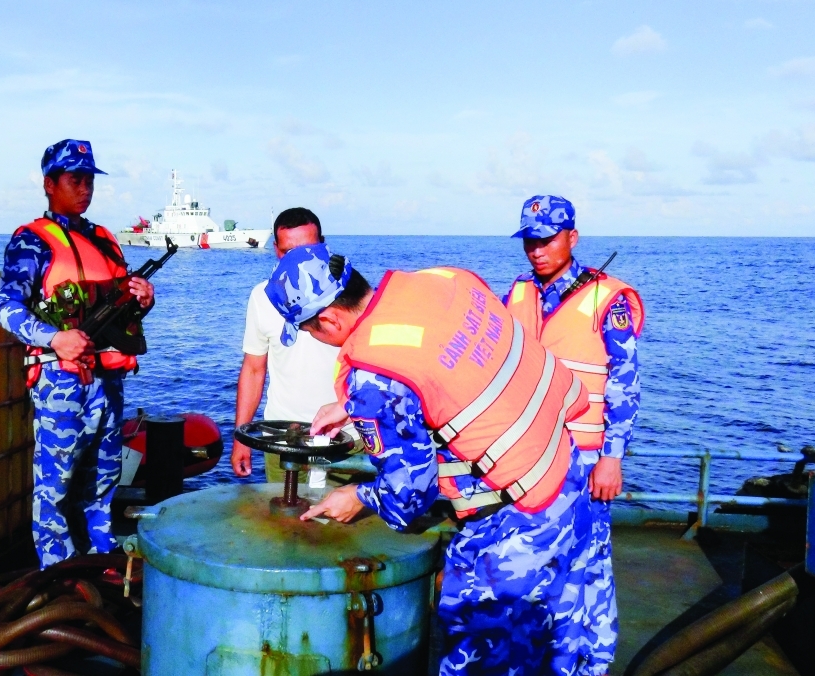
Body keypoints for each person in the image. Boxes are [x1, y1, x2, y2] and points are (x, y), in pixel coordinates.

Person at [265, 243, 599, 675]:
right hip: (566, 469)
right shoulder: (441, 281)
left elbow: (408, 498)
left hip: (515, 520)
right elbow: (445, 361)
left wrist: (359, 495)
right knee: (559, 644)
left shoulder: (373, 378)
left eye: (309, 330)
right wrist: (353, 406)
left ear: (328, 319)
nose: (315, 337)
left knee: (478, 658)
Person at [0, 139, 155, 569]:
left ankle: (101, 564)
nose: (85, 189)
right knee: (56, 485)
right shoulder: (32, 241)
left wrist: (142, 299)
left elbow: (122, 308)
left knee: (104, 480)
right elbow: (4, 306)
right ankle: (58, 574)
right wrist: (53, 338)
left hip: (108, 380)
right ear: (50, 184)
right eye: (75, 180)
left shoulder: (105, 240)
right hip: (60, 381)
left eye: (89, 181)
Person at [503, 195, 644, 675]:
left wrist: (612, 457)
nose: (536, 250)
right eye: (529, 241)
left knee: (588, 563)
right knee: (535, 561)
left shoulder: (609, 299)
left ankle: (592, 662)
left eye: (546, 239)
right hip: (528, 459)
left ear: (572, 238)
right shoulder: (518, 293)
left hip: (584, 459)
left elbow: (625, 383)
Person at [230, 208, 339, 482]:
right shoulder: (261, 297)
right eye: (289, 252)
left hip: (343, 437)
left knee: (341, 511)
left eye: (308, 250)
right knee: (282, 510)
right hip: (282, 437)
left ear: (323, 245)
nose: (300, 260)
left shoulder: (348, 293)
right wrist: (241, 437)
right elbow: (254, 369)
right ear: (276, 251)